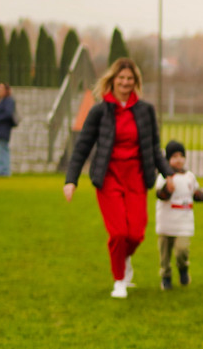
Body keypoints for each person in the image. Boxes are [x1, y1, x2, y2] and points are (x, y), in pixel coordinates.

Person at [63, 58, 172, 299]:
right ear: (112, 80)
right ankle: (120, 279)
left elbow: (154, 147)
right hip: (109, 178)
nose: (125, 83)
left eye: (129, 79)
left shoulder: (145, 111)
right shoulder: (99, 111)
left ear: (135, 83)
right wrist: (71, 180)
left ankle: (123, 259)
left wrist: (169, 174)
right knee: (118, 232)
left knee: (136, 233)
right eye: (121, 78)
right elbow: (82, 147)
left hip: (136, 178)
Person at [154, 140, 203, 290]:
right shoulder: (164, 177)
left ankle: (183, 268)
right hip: (166, 222)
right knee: (165, 254)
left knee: (182, 250)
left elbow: (196, 194)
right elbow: (160, 195)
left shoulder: (190, 177)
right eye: (174, 156)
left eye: (181, 156)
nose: (178, 159)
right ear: (168, 159)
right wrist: (167, 189)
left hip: (184, 222)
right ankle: (166, 276)